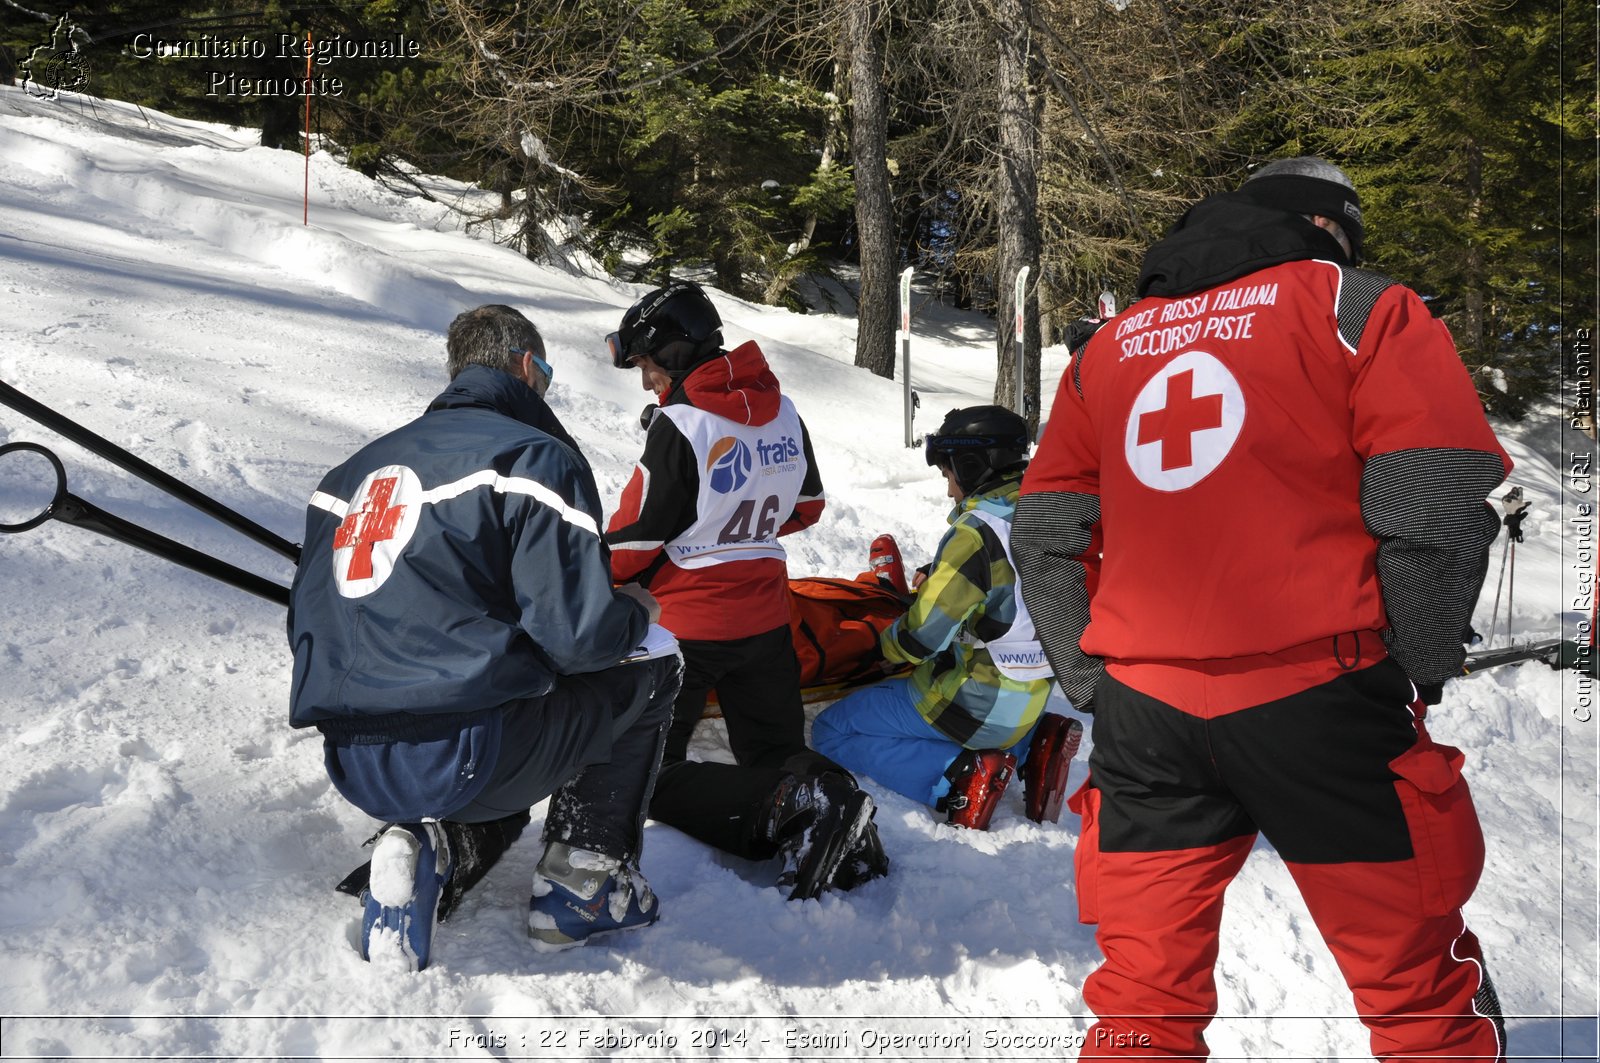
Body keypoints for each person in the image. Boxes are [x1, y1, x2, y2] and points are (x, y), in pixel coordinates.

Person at [1011, 157, 1510, 1058]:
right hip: (1321, 692)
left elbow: (1045, 530)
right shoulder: (1357, 308)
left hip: (1145, 716)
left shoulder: (1110, 347)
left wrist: (1094, 681)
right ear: (1328, 227)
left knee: (1141, 999)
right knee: (1413, 989)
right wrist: (1419, 657)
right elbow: (1433, 500)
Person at [288, 304, 682, 972]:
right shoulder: (532, 458)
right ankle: (583, 882)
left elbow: (306, 626)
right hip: (467, 753)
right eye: (548, 375)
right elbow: (581, 636)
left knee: (504, 696)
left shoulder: (348, 477)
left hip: (355, 762)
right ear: (528, 367)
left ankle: (432, 848)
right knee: (652, 660)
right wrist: (635, 610)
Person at [604, 280, 887, 898]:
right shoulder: (783, 411)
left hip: (687, 628)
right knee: (774, 746)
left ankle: (786, 812)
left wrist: (588, 572)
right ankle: (839, 806)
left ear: (673, 352)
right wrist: (746, 526)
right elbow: (807, 505)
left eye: (647, 364)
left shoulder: (681, 423)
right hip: (766, 617)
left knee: (651, 770)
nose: (646, 380)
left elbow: (636, 538)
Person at [811, 405, 1083, 830]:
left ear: (971, 465)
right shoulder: (1050, 510)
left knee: (831, 731)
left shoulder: (976, 533)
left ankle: (957, 777)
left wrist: (879, 648)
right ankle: (1036, 744)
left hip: (973, 706)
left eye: (949, 476)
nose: (949, 491)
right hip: (1031, 697)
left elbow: (922, 637)